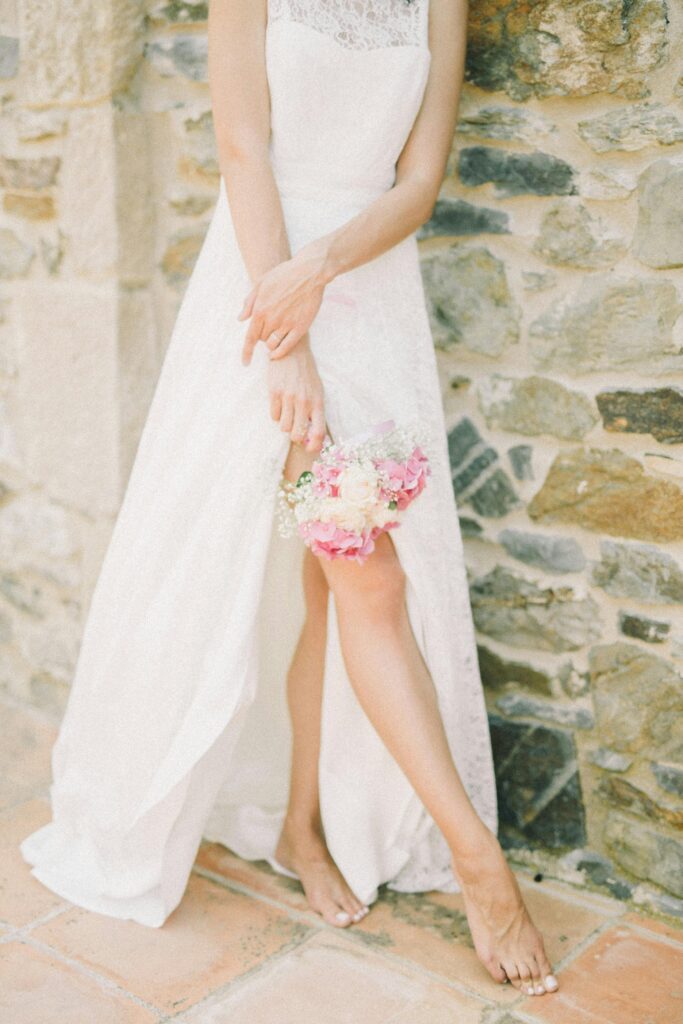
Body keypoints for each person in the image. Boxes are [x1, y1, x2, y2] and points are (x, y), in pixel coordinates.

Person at [20, 0, 558, 998]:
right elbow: (243, 147)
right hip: (262, 296)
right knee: (366, 578)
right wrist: (287, 337)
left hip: (367, 295)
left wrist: (325, 266)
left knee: (334, 585)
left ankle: (302, 825)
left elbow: (418, 180)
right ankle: (479, 863)